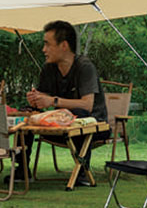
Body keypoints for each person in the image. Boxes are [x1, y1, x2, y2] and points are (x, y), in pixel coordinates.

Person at [17, 20, 110, 186]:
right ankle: (21, 170)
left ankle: (82, 171)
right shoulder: (49, 68)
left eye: (47, 44)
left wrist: (53, 101)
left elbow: (87, 105)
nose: (43, 49)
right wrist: (36, 100)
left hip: (93, 126)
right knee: (27, 114)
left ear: (64, 45)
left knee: (79, 115)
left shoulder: (84, 67)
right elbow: (44, 99)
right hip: (59, 124)